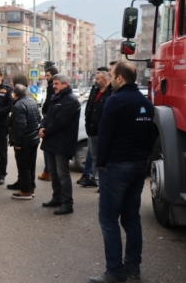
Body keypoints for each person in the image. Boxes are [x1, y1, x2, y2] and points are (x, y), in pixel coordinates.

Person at [89, 62, 154, 283]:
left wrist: (100, 164)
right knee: (131, 218)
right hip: (138, 165)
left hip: (116, 167)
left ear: (119, 79)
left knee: (108, 219)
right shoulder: (145, 102)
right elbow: (151, 135)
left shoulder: (115, 101)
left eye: (112, 75)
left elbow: (104, 135)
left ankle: (115, 272)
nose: (110, 79)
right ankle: (133, 268)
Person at [38, 73, 81, 215]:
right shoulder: (55, 97)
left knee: (62, 173)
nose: (53, 86)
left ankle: (67, 203)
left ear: (65, 84)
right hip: (51, 141)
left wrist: (46, 131)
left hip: (62, 142)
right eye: (53, 83)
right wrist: (41, 127)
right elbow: (48, 116)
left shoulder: (71, 101)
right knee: (53, 172)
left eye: (56, 84)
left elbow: (60, 121)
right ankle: (57, 198)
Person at [80, 69, 112, 188]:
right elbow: (89, 106)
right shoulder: (95, 90)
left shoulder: (110, 92)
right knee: (94, 155)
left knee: (102, 156)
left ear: (105, 80)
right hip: (92, 128)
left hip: (102, 129)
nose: (95, 81)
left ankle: (101, 180)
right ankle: (93, 178)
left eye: (98, 79)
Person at [10, 84, 41, 200]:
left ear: (15, 94)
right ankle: (31, 188)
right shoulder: (32, 101)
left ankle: (25, 191)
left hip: (25, 141)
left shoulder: (19, 105)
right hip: (34, 140)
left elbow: (20, 126)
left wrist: (17, 143)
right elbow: (39, 118)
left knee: (23, 167)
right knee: (31, 166)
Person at [38, 65, 59, 181]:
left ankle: (47, 171)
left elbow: (49, 101)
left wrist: (44, 110)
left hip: (49, 117)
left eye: (48, 75)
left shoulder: (52, 86)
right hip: (50, 117)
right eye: (46, 75)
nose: (46, 77)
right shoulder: (52, 86)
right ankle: (49, 170)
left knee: (46, 147)